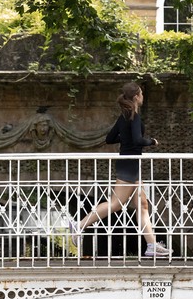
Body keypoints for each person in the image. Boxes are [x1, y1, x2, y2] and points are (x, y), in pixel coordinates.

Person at [72, 81, 169, 257]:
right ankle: (79, 225)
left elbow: (110, 138)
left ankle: (152, 245)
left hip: (130, 164)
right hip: (129, 165)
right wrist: (152, 141)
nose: (142, 97)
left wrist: (125, 139)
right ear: (136, 97)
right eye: (141, 94)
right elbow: (138, 140)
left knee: (142, 205)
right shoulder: (134, 117)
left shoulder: (124, 117)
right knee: (116, 204)